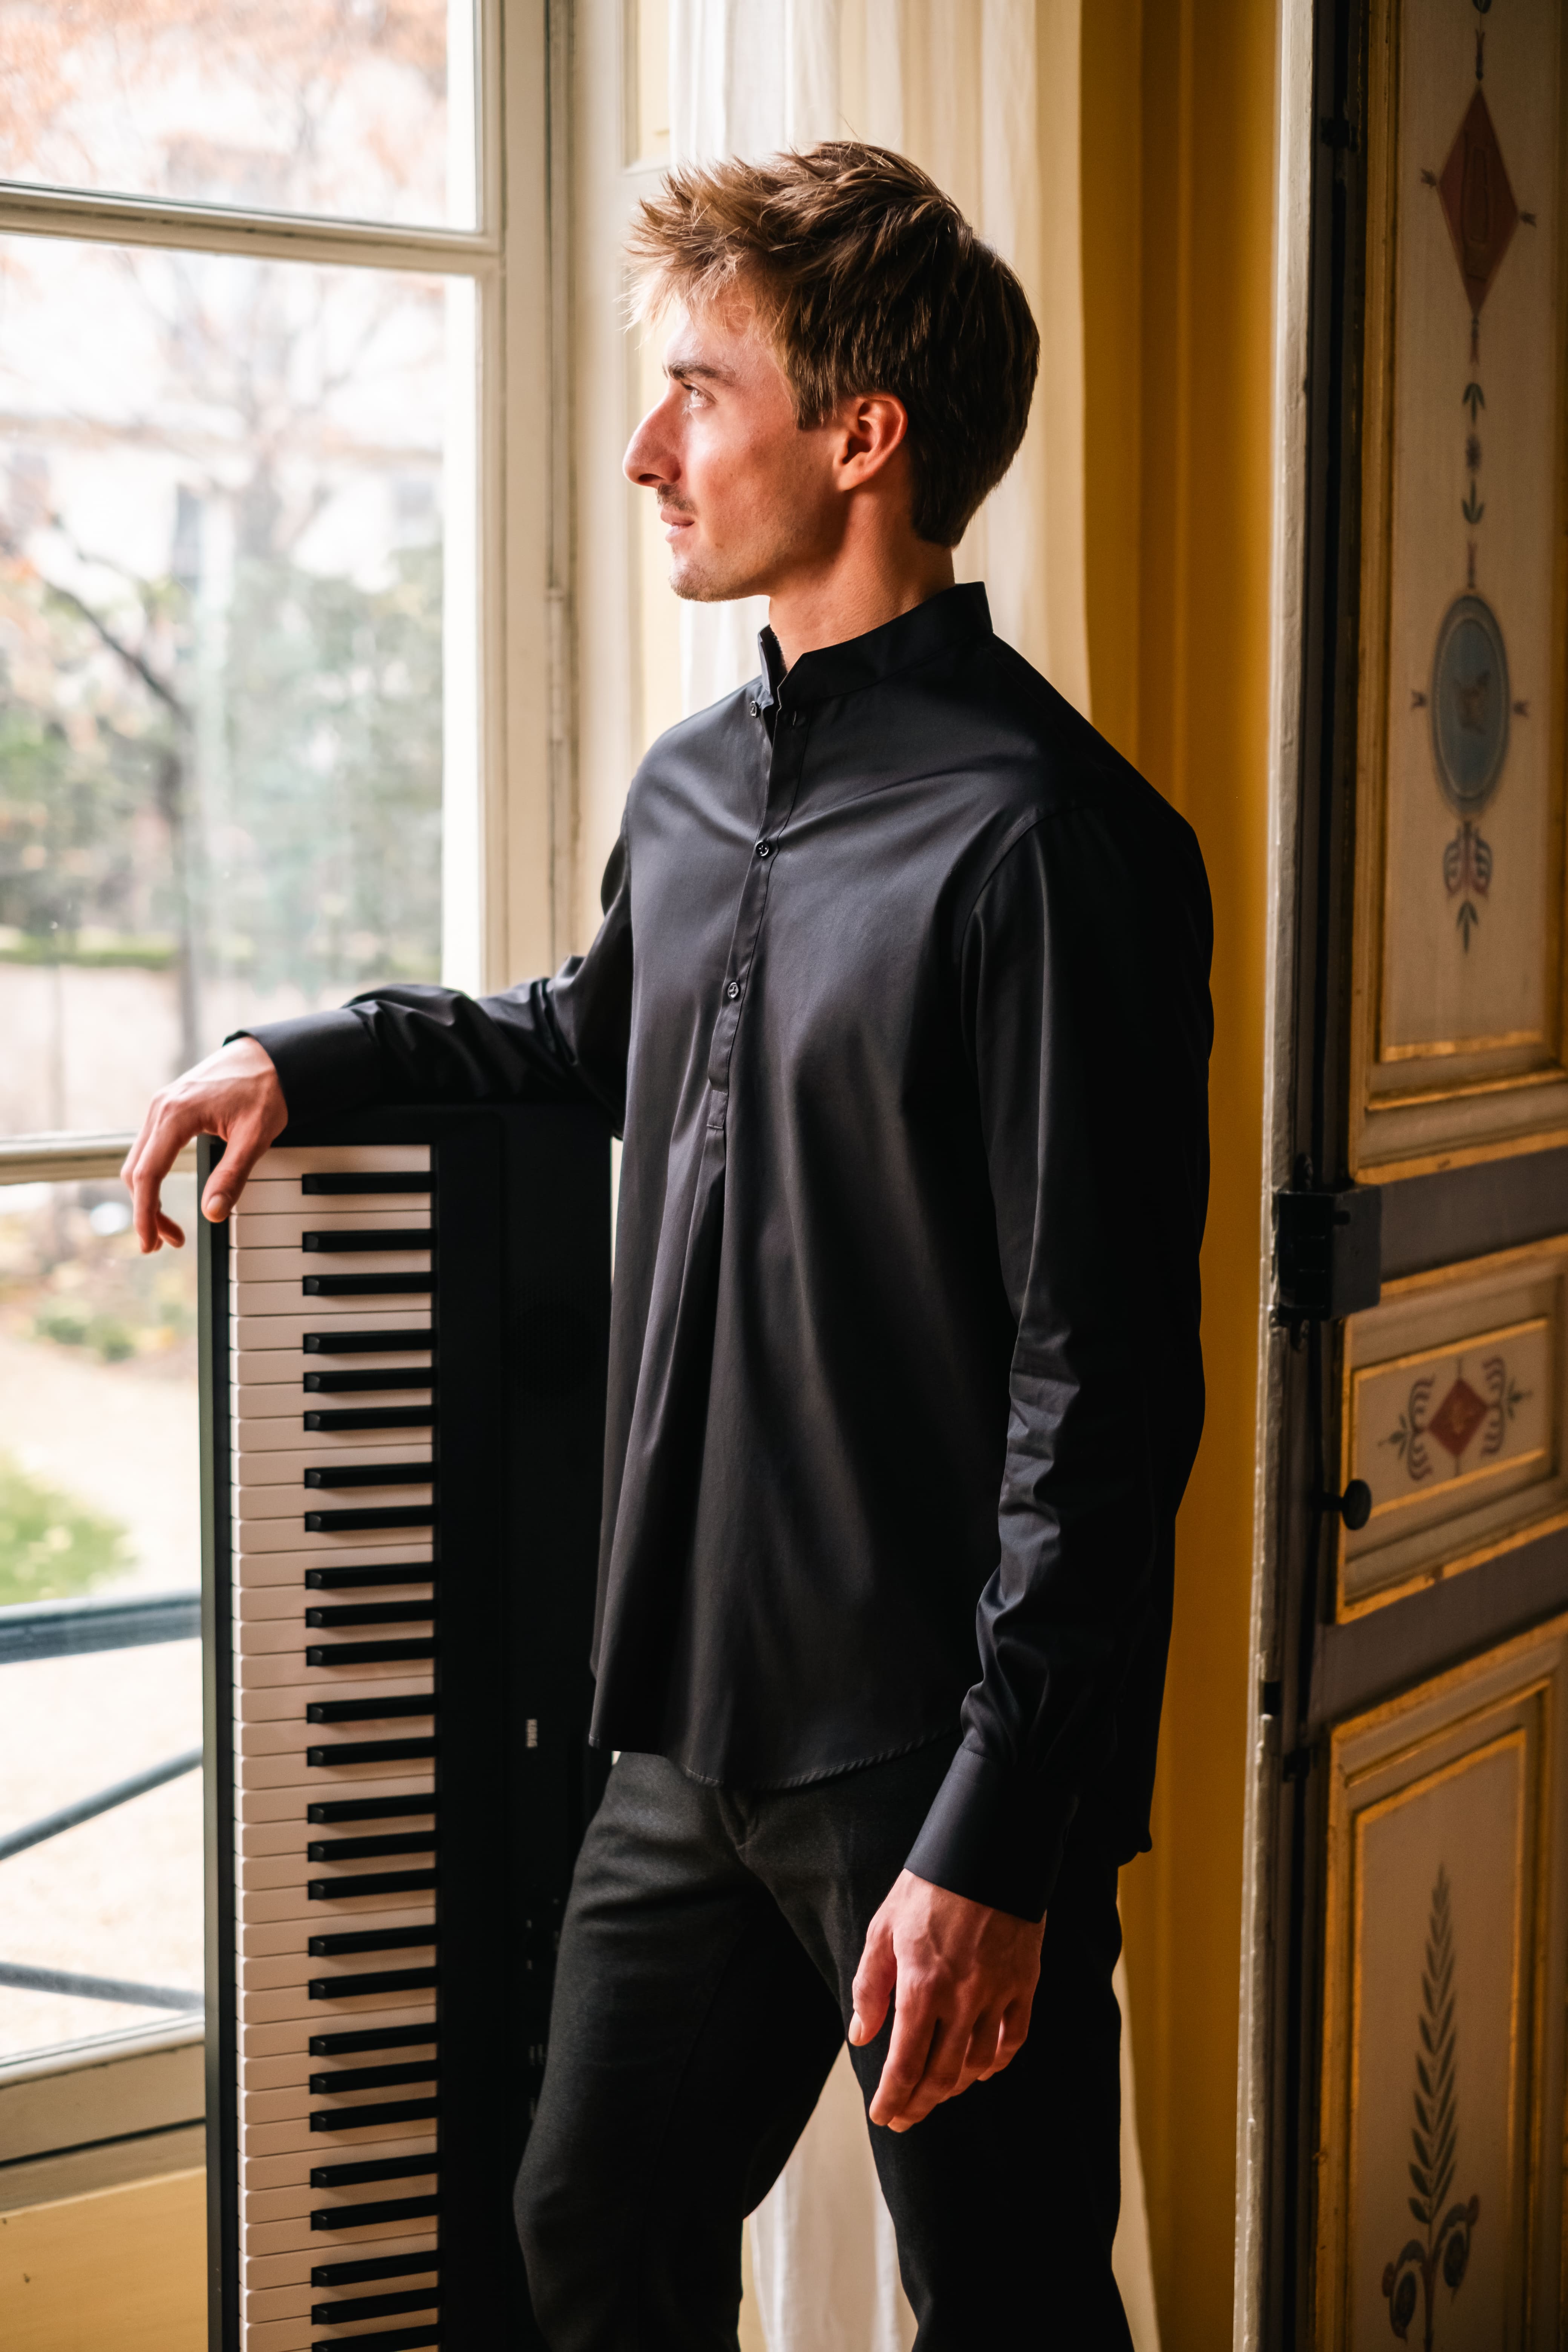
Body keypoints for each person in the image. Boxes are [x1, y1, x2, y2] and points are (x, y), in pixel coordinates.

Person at [122, 143, 1211, 2349]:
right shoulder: (699, 782)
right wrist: (309, 1058)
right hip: (678, 1739)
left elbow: (1104, 1388)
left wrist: (1000, 1836)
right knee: (587, 2239)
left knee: (1010, 2311)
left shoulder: (1055, 845)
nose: (648, 449)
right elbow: (594, 1034)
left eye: (700, 391)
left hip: (934, 1758)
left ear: (862, 435)